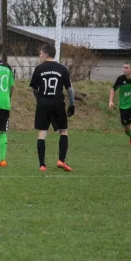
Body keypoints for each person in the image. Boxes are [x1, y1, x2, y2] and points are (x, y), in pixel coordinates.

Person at [29, 43, 75, 172]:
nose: (39, 55)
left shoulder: (39, 69)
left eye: (40, 53)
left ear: (46, 54)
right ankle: (61, 160)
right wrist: (72, 104)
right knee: (63, 131)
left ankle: (42, 165)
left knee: (42, 132)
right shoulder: (62, 69)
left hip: (43, 103)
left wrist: (39, 99)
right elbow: (70, 89)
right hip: (58, 103)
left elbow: (34, 88)